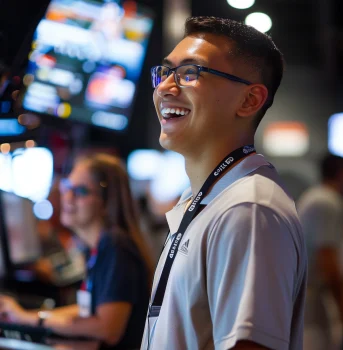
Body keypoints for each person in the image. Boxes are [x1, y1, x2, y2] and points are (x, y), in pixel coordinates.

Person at [141, 16, 307, 350]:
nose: (165, 87)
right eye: (166, 72)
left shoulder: (249, 209)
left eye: (191, 73)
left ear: (249, 101)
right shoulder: (203, 199)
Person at [0, 153, 153, 350]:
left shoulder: (115, 245)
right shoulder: (98, 247)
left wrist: (32, 320)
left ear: (106, 201)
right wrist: (26, 316)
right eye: (67, 187)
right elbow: (87, 311)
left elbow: (108, 329)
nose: (67, 198)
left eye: (80, 191)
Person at [297, 154, 343, 350]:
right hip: (313, 302)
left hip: (311, 299)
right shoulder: (325, 202)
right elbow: (326, 259)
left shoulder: (316, 197)